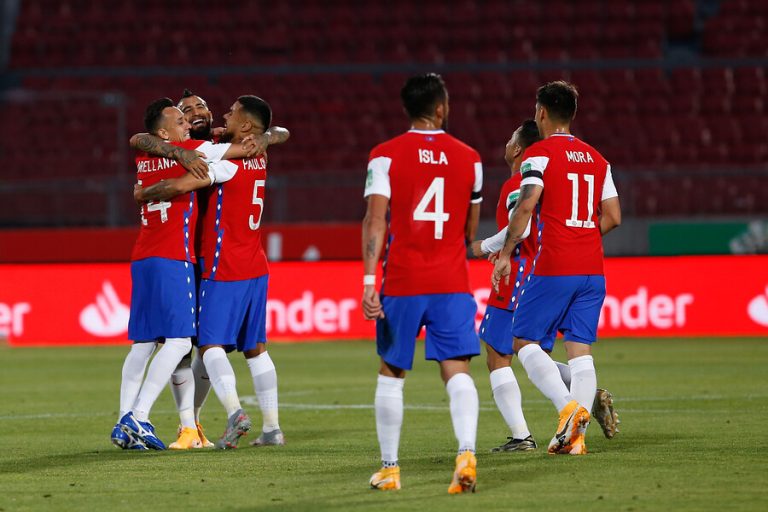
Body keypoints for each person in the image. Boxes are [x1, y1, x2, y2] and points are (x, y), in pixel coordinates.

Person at [128, 89, 289, 450]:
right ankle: (259, 427)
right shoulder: (225, 146)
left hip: (217, 261)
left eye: (202, 107)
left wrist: (144, 193)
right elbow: (140, 138)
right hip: (243, 262)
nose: (196, 113)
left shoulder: (220, 152)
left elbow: (182, 183)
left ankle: (218, 417)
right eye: (185, 112)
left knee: (204, 343)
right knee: (245, 347)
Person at [362, 73, 482, 494]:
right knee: (458, 371)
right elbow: (469, 233)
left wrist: (368, 280)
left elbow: (375, 219)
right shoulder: (471, 158)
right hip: (451, 279)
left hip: (403, 281)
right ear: (440, 108)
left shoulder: (384, 156)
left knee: (391, 372)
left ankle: (391, 469)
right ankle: (466, 453)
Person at [491, 81, 621, 455]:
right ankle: (574, 439)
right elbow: (613, 216)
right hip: (592, 268)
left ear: (542, 113)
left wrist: (505, 252)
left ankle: (568, 413)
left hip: (556, 263)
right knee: (579, 351)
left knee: (523, 341)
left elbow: (526, 205)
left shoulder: (539, 154)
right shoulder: (599, 159)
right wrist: (583, 234)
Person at [470, 120, 541, 452]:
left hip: (518, 271)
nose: (507, 140)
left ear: (517, 149)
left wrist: (489, 247)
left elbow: (520, 226)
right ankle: (583, 389)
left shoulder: (518, 182)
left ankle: (521, 435)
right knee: (523, 347)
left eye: (511, 137)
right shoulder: (541, 183)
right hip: (541, 271)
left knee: (499, 354)